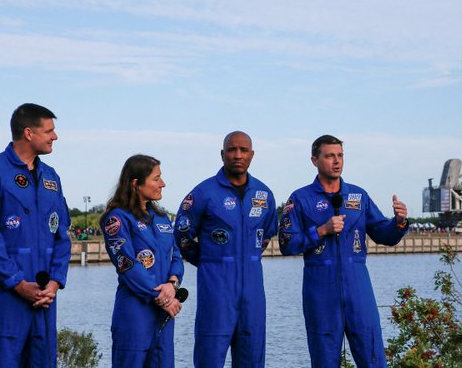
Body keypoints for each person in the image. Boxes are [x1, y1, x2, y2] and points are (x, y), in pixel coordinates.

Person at [279, 135, 410, 368]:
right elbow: (286, 244)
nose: (336, 161)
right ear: (314, 160)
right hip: (320, 290)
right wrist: (321, 231)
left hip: (358, 287)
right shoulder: (300, 198)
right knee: (324, 361)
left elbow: (382, 233)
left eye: (340, 156)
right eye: (329, 156)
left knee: (373, 358)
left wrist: (399, 222)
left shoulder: (358, 196)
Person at [0, 103, 72, 367]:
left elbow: (62, 235)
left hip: (44, 298)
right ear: (28, 133)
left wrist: (56, 281)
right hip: (5, 299)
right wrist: (17, 284)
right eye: (49, 130)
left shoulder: (51, 178)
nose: (55, 136)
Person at [174, 131, 278, 368]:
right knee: (210, 356)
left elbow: (267, 233)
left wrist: (246, 258)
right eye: (232, 150)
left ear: (252, 155)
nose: (237, 155)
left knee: (252, 357)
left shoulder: (263, 194)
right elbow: (182, 235)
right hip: (216, 290)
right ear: (222, 155)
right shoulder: (203, 193)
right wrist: (210, 260)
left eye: (243, 150)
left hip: (253, 291)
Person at [100, 155, 184, 368]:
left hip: (163, 316)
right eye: (156, 179)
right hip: (135, 314)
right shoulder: (117, 219)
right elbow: (127, 264)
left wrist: (172, 283)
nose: (162, 184)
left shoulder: (162, 218)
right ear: (136, 183)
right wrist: (161, 296)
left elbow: (175, 255)